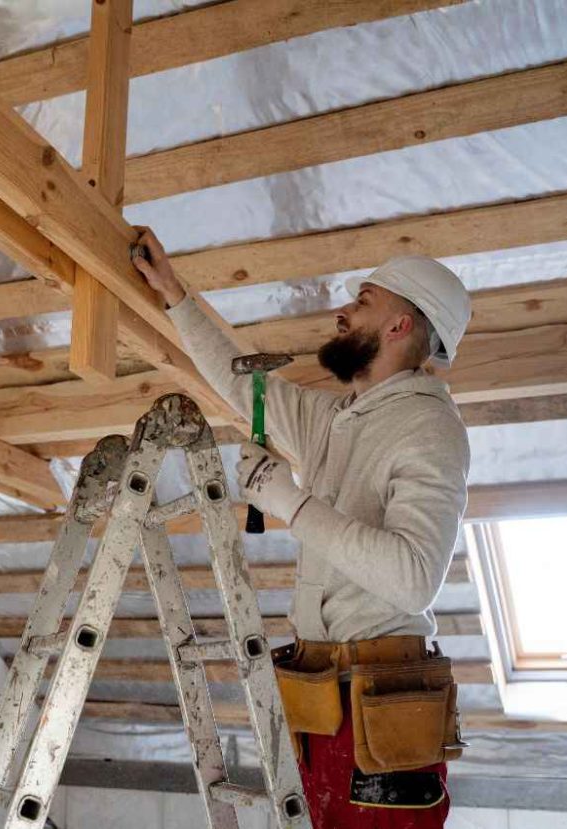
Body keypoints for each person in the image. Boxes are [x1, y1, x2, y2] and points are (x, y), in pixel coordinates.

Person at [132, 227, 472, 829]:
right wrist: (174, 294)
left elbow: (415, 580)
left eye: (363, 301)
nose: (342, 313)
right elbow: (242, 383)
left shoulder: (429, 428)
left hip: (382, 705)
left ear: (399, 326)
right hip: (320, 691)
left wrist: (292, 504)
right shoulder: (337, 418)